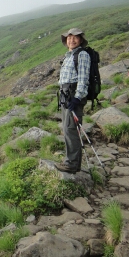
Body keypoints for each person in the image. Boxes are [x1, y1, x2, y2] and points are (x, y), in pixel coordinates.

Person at [55, 28, 91, 173]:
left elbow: (83, 79)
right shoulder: (69, 56)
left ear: (81, 40)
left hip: (74, 96)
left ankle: (71, 164)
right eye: (69, 38)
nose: (72, 40)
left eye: (75, 37)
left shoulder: (82, 55)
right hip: (66, 95)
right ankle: (72, 162)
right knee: (68, 129)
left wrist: (77, 97)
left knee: (71, 130)